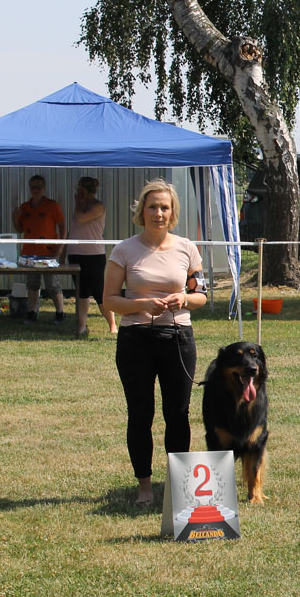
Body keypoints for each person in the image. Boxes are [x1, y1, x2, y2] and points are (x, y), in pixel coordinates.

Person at [103, 179, 207, 505]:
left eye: (164, 207)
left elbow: (201, 296)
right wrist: (141, 305)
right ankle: (144, 486)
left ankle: (179, 487)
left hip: (178, 338)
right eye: (152, 207)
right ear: (141, 211)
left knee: (178, 413)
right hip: (136, 340)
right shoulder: (124, 250)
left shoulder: (187, 248)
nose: (158, 213)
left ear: (173, 212)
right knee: (141, 413)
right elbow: (109, 301)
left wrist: (184, 298)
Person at [60, 177, 117, 337]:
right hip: (75, 253)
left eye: (80, 190)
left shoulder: (98, 206)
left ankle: (112, 324)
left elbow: (80, 218)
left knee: (99, 292)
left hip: (94, 254)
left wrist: (79, 201)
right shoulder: (79, 206)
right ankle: (81, 325)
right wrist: (63, 252)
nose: (77, 193)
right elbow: (73, 229)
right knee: (81, 292)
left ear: (86, 191)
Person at [12, 174, 66, 323]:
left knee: (53, 284)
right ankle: (31, 313)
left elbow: (62, 226)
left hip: (48, 252)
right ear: (30, 188)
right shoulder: (24, 207)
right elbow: (19, 229)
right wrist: (14, 217)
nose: (36, 190)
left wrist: (60, 247)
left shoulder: (52, 205)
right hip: (29, 253)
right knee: (32, 284)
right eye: (33, 187)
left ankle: (60, 312)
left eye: (39, 187)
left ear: (44, 188)